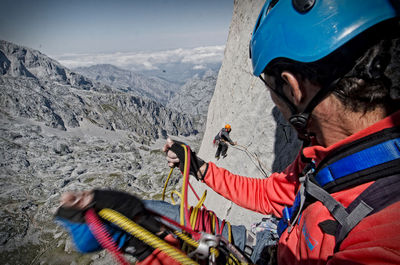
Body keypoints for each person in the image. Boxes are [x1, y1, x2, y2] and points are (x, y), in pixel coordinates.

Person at [56, 0, 400, 264]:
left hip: (261, 252)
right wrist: (200, 168)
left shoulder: (383, 236)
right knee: (140, 212)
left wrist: (145, 240)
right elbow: (270, 196)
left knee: (137, 229)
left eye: (271, 90)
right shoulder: (330, 154)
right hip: (268, 245)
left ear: (292, 88)